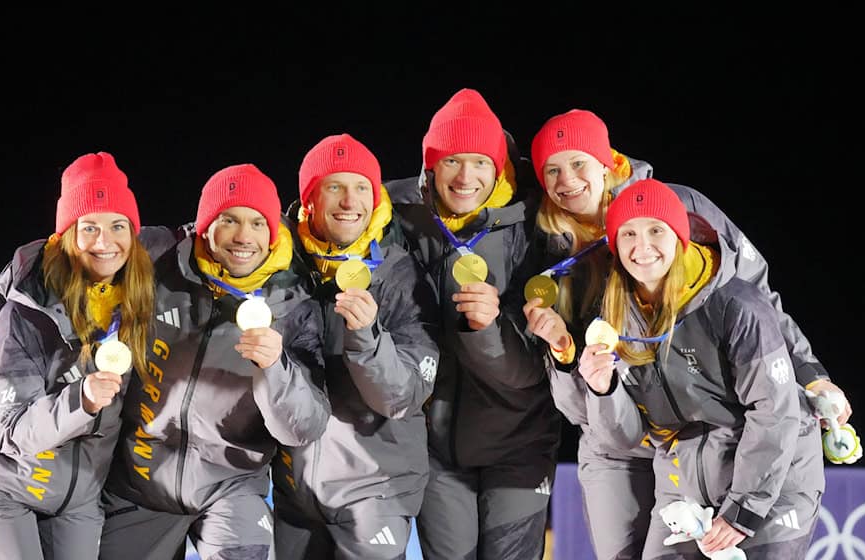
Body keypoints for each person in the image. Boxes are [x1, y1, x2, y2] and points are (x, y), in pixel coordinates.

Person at [521, 108, 850, 559]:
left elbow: (756, 304)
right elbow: (579, 374)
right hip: (629, 429)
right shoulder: (550, 246)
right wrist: (570, 362)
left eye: (578, 162)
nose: (566, 180)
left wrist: (809, 373)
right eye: (552, 170)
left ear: (606, 161)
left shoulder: (680, 208)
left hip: (707, 425)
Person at [578, 178, 824, 558]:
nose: (642, 246)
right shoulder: (615, 317)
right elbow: (623, 436)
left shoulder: (736, 306)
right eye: (628, 233)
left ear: (680, 237)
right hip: (684, 481)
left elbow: (774, 412)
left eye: (656, 230)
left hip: (773, 482)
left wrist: (742, 511)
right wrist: (603, 390)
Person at [95, 162, 331, 560]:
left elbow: (306, 426)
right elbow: (57, 254)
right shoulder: (158, 257)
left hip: (232, 487)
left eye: (258, 223)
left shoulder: (295, 304)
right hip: (141, 485)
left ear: (273, 234)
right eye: (229, 219)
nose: (244, 236)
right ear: (205, 225)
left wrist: (276, 370)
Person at [0, 151, 156, 560]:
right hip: (2, 481)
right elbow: (13, 431)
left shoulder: (141, 291)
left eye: (118, 226)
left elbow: (210, 233)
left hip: (77, 498)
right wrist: (81, 400)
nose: (105, 242)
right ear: (65, 236)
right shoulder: (27, 311)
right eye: (89, 227)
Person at [387, 88, 558, 560]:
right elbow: (328, 212)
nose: (466, 177)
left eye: (481, 162)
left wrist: (488, 330)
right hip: (435, 448)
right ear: (430, 166)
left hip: (518, 443)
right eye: (452, 161)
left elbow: (535, 370)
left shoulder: (534, 227)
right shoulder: (397, 216)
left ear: (500, 168)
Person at [272, 133, 439, 558]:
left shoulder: (402, 276)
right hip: (293, 491)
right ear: (308, 199)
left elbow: (403, 396)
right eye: (335, 187)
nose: (350, 201)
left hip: (376, 488)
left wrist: (366, 339)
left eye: (361, 187)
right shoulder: (278, 265)